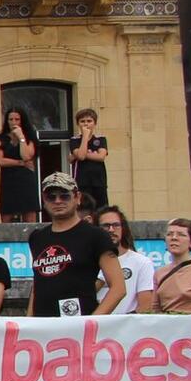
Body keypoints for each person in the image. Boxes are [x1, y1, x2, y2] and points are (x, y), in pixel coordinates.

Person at [27, 172, 123, 317]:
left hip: (79, 322)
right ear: (44, 200)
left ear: (77, 198)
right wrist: (29, 321)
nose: (57, 201)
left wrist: (92, 322)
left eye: (64, 196)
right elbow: (38, 284)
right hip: (42, 323)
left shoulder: (96, 235)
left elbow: (118, 288)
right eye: (51, 197)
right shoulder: (37, 237)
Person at [94, 205, 155, 314]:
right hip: (92, 322)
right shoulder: (86, 261)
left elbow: (145, 307)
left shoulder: (141, 262)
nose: (111, 230)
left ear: (123, 228)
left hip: (126, 323)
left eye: (116, 225)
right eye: (106, 226)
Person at [0, 108, 40, 223]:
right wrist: (20, 163)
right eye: (11, 119)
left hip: (26, 180)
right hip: (8, 180)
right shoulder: (0, 139)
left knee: (29, 215)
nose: (13, 122)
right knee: (7, 216)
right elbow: (0, 161)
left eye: (17, 119)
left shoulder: (29, 138)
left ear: (22, 121)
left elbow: (26, 156)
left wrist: (21, 137)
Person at [69, 109, 110, 211]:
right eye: (82, 121)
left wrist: (78, 154)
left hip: (99, 180)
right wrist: (85, 137)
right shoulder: (75, 140)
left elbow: (101, 156)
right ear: (78, 124)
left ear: (94, 123)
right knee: (84, 209)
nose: (86, 124)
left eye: (89, 121)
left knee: (102, 209)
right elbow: (81, 156)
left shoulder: (100, 139)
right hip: (82, 181)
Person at [153, 218, 191, 313]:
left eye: (181, 234)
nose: (174, 238)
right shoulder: (159, 273)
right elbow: (155, 308)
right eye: (170, 234)